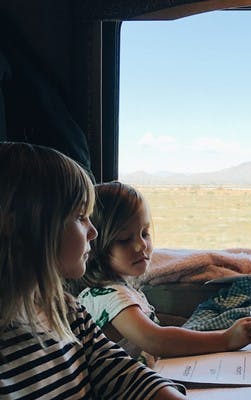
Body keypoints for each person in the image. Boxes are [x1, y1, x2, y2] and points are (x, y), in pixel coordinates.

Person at [0, 142, 185, 399]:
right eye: (79, 216)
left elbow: (124, 375)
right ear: (17, 225)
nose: (93, 232)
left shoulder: (67, 312)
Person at [72, 181, 251, 361]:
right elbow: (156, 340)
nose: (141, 245)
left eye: (145, 233)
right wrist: (226, 339)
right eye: (124, 240)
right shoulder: (107, 296)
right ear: (95, 246)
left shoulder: (124, 287)